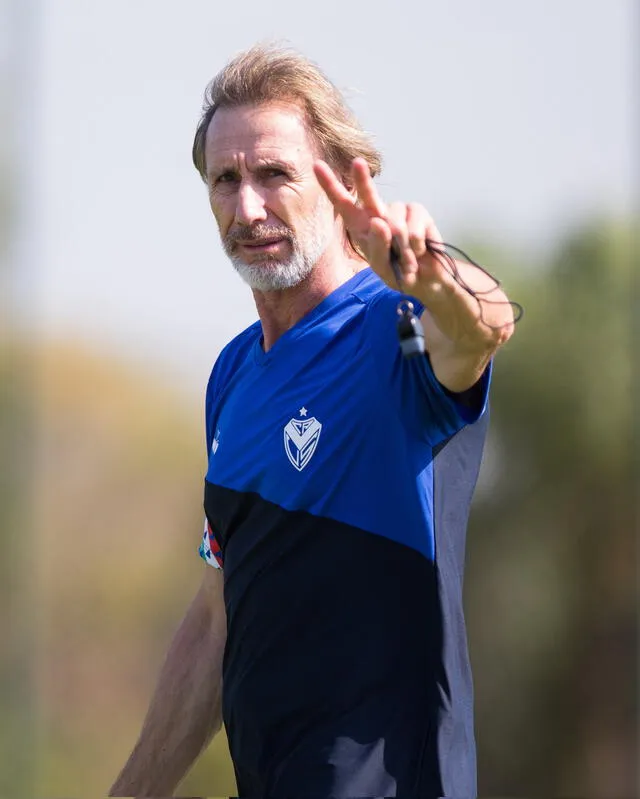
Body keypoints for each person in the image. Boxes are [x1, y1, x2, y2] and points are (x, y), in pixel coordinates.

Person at [109, 43, 515, 799]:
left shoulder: (394, 328)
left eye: (275, 174)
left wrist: (436, 277)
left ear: (336, 184)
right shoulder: (231, 375)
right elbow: (213, 620)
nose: (248, 206)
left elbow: (484, 329)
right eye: (226, 179)